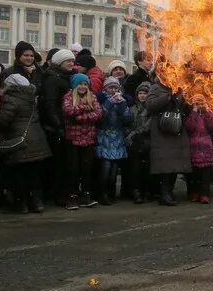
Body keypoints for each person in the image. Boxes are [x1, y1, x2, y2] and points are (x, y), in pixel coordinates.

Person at [0, 74, 52, 213]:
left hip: (19, 142)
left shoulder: (10, 99)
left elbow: (3, 121)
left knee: (19, 174)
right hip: (37, 140)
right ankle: (37, 203)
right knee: (34, 174)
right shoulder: (32, 98)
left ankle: (22, 204)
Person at [146, 79, 191, 206]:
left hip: (177, 128)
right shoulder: (155, 87)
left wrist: (186, 100)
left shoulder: (180, 87)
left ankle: (169, 192)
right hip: (162, 130)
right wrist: (168, 96)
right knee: (165, 164)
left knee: (176, 163)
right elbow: (150, 105)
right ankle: (164, 194)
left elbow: (186, 110)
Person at [40, 48, 76, 207]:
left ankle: (63, 193)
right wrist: (58, 126)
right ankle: (59, 195)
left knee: (66, 163)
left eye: (72, 60)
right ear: (59, 62)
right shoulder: (53, 79)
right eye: (67, 60)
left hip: (65, 125)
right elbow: (50, 105)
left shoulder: (64, 77)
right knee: (60, 164)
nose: (71, 63)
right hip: (56, 128)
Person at [62, 73, 103, 209]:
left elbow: (98, 114)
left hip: (88, 139)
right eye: (80, 84)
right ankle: (71, 196)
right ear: (74, 85)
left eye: (85, 84)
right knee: (73, 168)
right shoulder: (68, 97)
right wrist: (85, 107)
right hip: (73, 139)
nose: (82, 86)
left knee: (87, 168)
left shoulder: (92, 97)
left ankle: (86, 194)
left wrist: (79, 117)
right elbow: (68, 111)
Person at [96, 77, 131, 205]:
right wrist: (109, 103)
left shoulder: (122, 101)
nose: (113, 90)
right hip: (104, 137)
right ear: (105, 88)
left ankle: (111, 193)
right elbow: (100, 117)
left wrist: (122, 105)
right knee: (105, 168)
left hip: (118, 137)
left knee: (114, 170)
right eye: (111, 87)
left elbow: (127, 118)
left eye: (115, 88)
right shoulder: (101, 99)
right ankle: (103, 193)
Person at [184, 93, 213, 204]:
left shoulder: (207, 113)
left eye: (201, 102)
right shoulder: (190, 114)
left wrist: (207, 110)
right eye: (197, 102)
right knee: (194, 174)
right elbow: (189, 127)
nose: (199, 105)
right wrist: (194, 111)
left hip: (206, 147)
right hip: (193, 147)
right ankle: (194, 193)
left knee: (206, 175)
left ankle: (204, 194)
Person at [126, 82, 152, 204]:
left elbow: (149, 125)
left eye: (145, 93)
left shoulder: (151, 109)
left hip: (147, 142)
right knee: (135, 169)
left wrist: (135, 133)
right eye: (140, 93)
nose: (142, 95)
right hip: (134, 144)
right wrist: (130, 134)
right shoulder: (131, 109)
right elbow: (126, 123)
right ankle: (136, 192)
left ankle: (146, 191)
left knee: (146, 169)